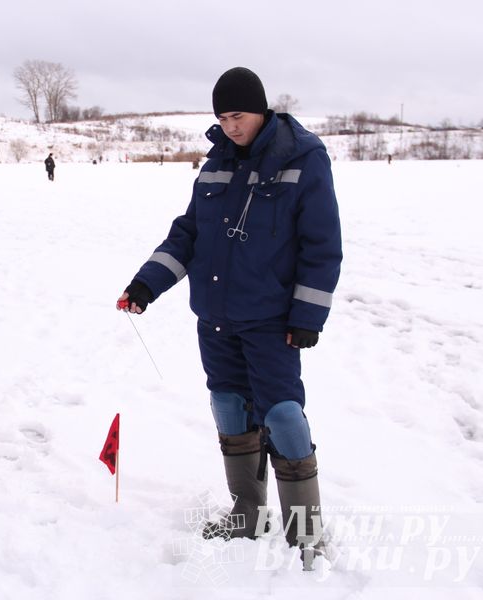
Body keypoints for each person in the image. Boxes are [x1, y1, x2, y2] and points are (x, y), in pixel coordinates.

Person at [116, 67, 342, 565]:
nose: (230, 126)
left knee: (282, 415)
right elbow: (189, 234)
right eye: (222, 118)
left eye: (238, 116)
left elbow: (322, 244)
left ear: (260, 110)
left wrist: (308, 314)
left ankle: (306, 533)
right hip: (216, 318)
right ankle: (248, 514)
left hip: (271, 320)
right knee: (228, 407)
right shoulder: (216, 163)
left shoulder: (303, 158)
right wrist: (146, 284)